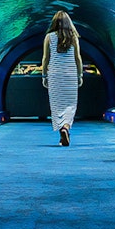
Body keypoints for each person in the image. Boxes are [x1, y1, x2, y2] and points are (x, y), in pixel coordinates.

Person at [41, 10, 83, 146]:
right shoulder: (74, 37)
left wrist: (44, 75)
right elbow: (78, 58)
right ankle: (66, 127)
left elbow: (45, 58)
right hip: (70, 75)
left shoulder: (49, 37)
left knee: (57, 105)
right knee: (70, 105)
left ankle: (62, 133)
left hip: (55, 74)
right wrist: (80, 75)